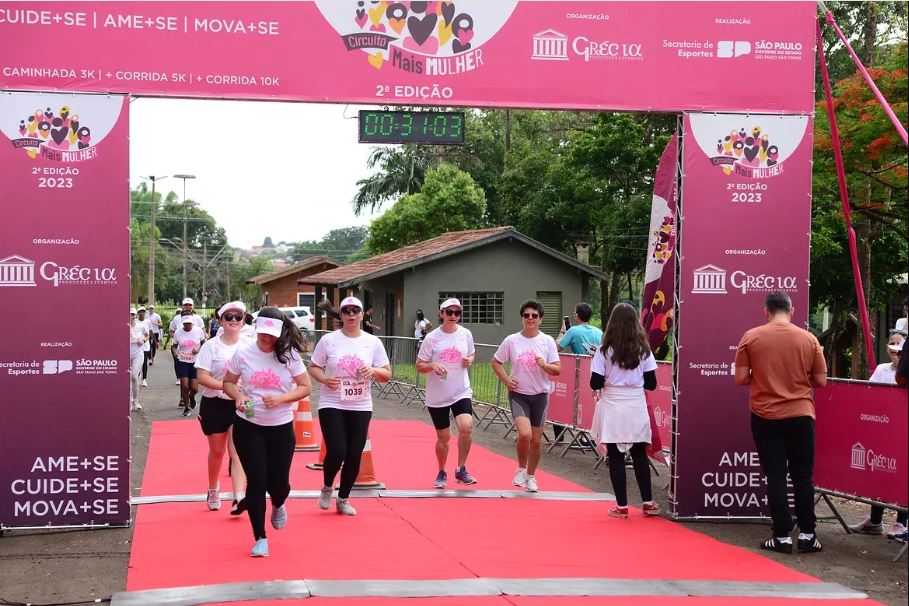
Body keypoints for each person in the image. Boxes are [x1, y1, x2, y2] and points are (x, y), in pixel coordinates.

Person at [735, 291, 827, 554]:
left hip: (766, 416)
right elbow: (820, 381)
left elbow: (740, 378)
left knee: (775, 475)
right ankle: (808, 534)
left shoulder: (751, 337)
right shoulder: (809, 339)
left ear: (766, 311)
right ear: (792, 311)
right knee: (803, 477)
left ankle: (782, 536)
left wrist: (762, 374)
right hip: (801, 415)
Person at [222, 306, 312, 557]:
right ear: (257, 328)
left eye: (272, 334)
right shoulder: (244, 352)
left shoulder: (289, 354)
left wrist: (284, 398)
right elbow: (227, 382)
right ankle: (259, 536)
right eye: (263, 332)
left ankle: (279, 502)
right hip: (248, 424)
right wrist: (239, 395)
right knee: (257, 480)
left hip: (280, 427)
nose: (267, 338)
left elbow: (306, 387)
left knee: (279, 484)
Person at [308, 296, 391, 516]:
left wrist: (373, 371)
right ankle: (327, 486)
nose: (351, 315)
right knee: (337, 450)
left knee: (355, 453)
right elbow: (314, 367)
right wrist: (325, 379)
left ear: (363, 315)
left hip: (361, 404)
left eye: (356, 311)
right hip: (332, 401)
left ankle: (343, 498)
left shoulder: (372, 342)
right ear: (341, 315)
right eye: (347, 311)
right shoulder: (329, 340)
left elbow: (387, 374)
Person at [588, 302, 659, 518]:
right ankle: (648, 501)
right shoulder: (644, 351)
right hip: (636, 403)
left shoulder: (603, 351)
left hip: (613, 404)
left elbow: (595, 382)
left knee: (616, 455)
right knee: (639, 453)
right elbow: (652, 383)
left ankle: (622, 506)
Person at [491, 299, 560, 493]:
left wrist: (544, 365)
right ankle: (521, 469)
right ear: (522, 318)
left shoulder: (547, 341)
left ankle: (531, 476)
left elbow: (557, 370)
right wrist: (506, 379)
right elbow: (496, 362)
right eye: (526, 315)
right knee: (525, 434)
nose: (530, 319)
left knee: (536, 441)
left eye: (534, 316)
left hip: (540, 395)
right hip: (519, 394)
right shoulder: (512, 340)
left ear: (540, 319)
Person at [849, 335, 907, 542]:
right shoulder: (882, 370)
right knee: (880, 472)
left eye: (901, 347)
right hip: (883, 432)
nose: (896, 350)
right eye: (892, 344)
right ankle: (875, 521)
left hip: (902, 435)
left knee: (902, 474)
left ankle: (902, 522)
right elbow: (870, 394)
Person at [195, 301, 251, 515]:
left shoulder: (250, 344)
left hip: (242, 403)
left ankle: (238, 497)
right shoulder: (211, 346)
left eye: (238, 317)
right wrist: (227, 386)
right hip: (215, 403)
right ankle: (213, 489)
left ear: (244, 319)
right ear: (220, 321)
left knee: (238, 451)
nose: (234, 321)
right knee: (217, 452)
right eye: (229, 317)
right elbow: (202, 377)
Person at [416, 298, 478, 488]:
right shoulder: (432, 338)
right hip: (438, 394)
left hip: (461, 390)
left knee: (466, 427)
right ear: (441, 313)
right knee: (443, 437)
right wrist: (432, 365)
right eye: (449, 312)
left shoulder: (465, 334)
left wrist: (469, 360)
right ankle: (442, 470)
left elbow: (472, 353)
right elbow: (419, 366)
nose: (453, 316)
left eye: (456, 313)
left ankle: (461, 468)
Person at [554, 302, 603, 442]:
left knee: (568, 403)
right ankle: (590, 436)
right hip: (597, 372)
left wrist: (563, 331)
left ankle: (564, 436)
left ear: (577, 316)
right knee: (592, 403)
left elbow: (556, 348)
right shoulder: (599, 332)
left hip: (579, 373)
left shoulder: (573, 331)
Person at [172, 311, 206, 417]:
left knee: (194, 389)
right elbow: (173, 346)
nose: (187, 325)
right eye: (185, 323)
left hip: (195, 362)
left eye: (189, 323)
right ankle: (186, 408)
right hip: (182, 361)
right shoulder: (178, 332)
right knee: (185, 386)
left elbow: (204, 343)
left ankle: (192, 397)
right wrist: (175, 352)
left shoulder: (199, 331)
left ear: (192, 323)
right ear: (182, 323)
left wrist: (198, 350)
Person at [167, 297, 206, 386]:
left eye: (190, 305)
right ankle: (182, 394)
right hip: (180, 349)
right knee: (183, 380)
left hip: (195, 351)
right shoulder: (176, 318)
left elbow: (203, 331)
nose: (188, 307)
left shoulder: (198, 318)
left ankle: (191, 396)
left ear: (193, 306)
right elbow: (171, 331)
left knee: (193, 381)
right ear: (182, 306)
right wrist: (179, 338)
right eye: (185, 305)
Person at [128, 308, 149, 412]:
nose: (131, 316)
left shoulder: (141, 326)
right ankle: (128, 401)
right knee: (126, 379)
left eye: (132, 314)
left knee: (134, 377)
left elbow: (147, 335)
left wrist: (143, 340)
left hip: (138, 354)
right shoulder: (123, 326)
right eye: (129, 314)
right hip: (125, 355)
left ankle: (136, 402)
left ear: (135, 316)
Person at [136, 306, 152, 387]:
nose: (142, 313)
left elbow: (149, 333)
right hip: (136, 345)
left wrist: (155, 342)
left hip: (146, 345)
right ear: (138, 313)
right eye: (140, 311)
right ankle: (138, 375)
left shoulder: (148, 322)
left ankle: (144, 379)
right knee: (138, 362)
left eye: (143, 311)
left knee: (144, 362)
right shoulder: (135, 321)